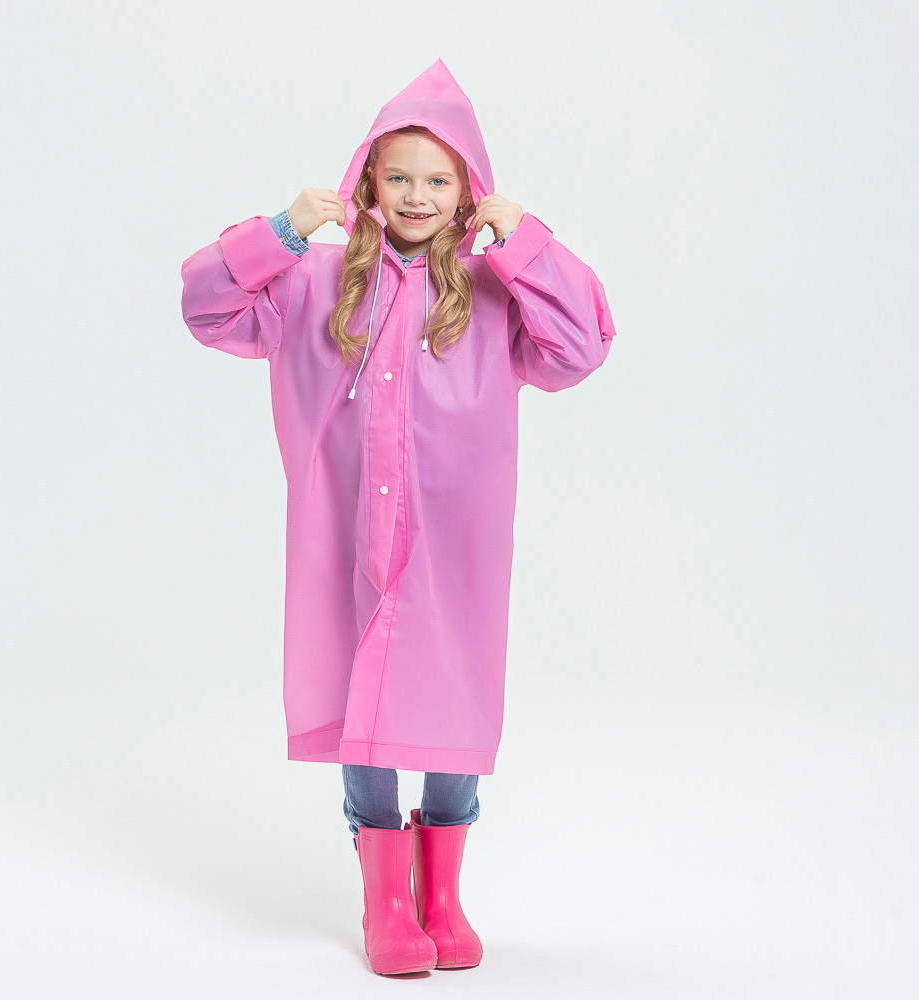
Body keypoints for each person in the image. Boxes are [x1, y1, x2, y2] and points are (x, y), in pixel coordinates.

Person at [179, 59, 617, 976]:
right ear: (369, 181)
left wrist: (524, 240)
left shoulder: (493, 290)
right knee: (364, 697)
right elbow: (208, 307)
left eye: (439, 180)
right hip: (349, 533)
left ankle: (441, 892)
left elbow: (579, 348)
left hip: (455, 541)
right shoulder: (318, 281)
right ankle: (384, 897)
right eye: (400, 176)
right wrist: (281, 232)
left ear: (468, 191)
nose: (418, 197)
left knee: (453, 695)